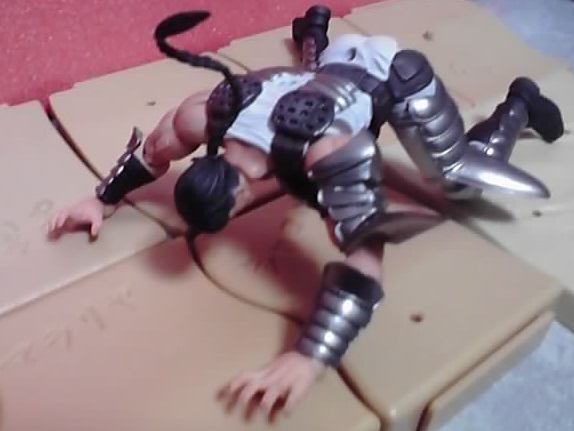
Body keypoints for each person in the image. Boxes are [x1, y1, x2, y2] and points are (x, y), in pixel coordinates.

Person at [47, 6, 565, 418]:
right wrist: (101, 199)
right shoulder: (206, 114)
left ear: (239, 199)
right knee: (312, 79)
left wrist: (310, 356)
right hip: (327, 69)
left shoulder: (325, 153)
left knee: (455, 179)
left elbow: (366, 254)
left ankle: (519, 104)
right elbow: (152, 152)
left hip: (395, 77)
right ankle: (313, 31)